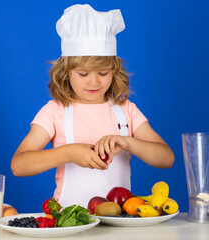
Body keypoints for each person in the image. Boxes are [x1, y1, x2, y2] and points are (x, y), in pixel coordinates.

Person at [11, 4, 174, 208]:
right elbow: (19, 165)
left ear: (114, 71)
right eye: (83, 74)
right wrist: (68, 153)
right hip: (70, 222)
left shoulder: (126, 110)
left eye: (103, 73)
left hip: (119, 221)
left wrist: (128, 142)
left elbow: (166, 158)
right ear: (66, 73)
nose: (94, 82)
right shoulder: (55, 112)